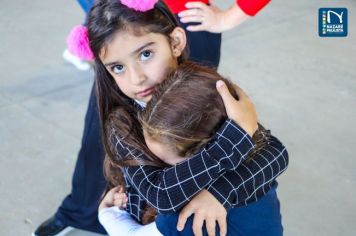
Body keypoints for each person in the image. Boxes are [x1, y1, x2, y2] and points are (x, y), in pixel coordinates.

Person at [33, 0, 273, 235]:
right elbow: (160, 195)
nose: (137, 78)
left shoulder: (207, 91)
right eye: (117, 67)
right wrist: (236, 136)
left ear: (176, 43)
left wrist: (219, 191)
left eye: (146, 54)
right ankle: (81, 213)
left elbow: (274, 152)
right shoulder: (121, 124)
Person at [97, 62, 283, 236]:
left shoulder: (188, 216)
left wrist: (108, 215)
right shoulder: (252, 167)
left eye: (166, 164)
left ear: (195, 156)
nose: (158, 169)